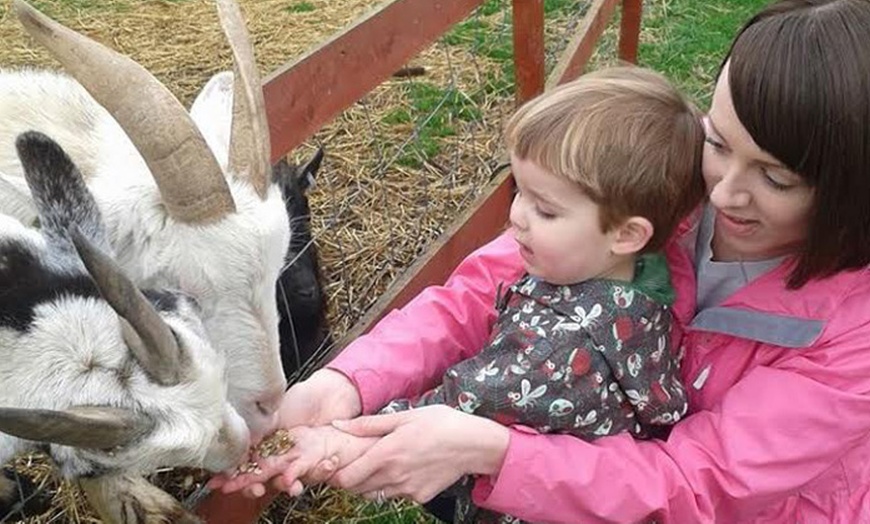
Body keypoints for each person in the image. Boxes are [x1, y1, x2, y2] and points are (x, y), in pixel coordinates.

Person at [212, 0, 870, 522]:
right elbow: (481, 290)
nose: (724, 191)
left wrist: (491, 451)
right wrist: (350, 383)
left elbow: (702, 485)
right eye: (719, 141)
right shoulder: (662, 179)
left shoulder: (853, 335)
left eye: (776, 179)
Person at [215, 65, 704, 523]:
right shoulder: (637, 280)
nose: (515, 217)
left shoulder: (559, 350)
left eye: (546, 210)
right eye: (520, 192)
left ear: (626, 233)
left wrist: (324, 442)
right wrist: (343, 384)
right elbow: (462, 306)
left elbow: (445, 416)